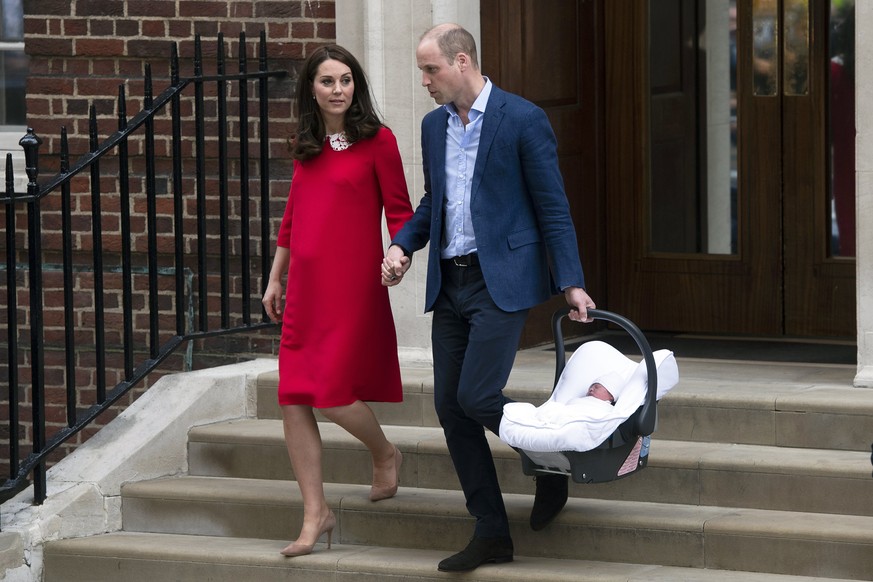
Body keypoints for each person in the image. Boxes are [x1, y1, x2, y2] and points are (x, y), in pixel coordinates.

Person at [381, 23, 595, 572]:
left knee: (476, 396)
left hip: (501, 280)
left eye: (431, 69)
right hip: (449, 283)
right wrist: (404, 245)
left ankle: (551, 461)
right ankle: (492, 531)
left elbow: (552, 207)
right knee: (452, 407)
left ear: (462, 62)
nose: (424, 81)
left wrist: (570, 280)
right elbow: (435, 202)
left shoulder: (523, 120)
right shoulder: (433, 126)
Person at [262, 44, 413, 558]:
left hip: (352, 287)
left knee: (329, 393)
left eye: (346, 80)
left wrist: (399, 254)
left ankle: (385, 451)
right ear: (312, 89)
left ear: (356, 86)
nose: (338, 90)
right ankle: (315, 514)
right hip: (304, 286)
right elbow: (293, 217)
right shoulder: (307, 145)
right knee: (293, 396)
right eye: (328, 81)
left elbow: (401, 211)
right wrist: (276, 277)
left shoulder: (378, 141)